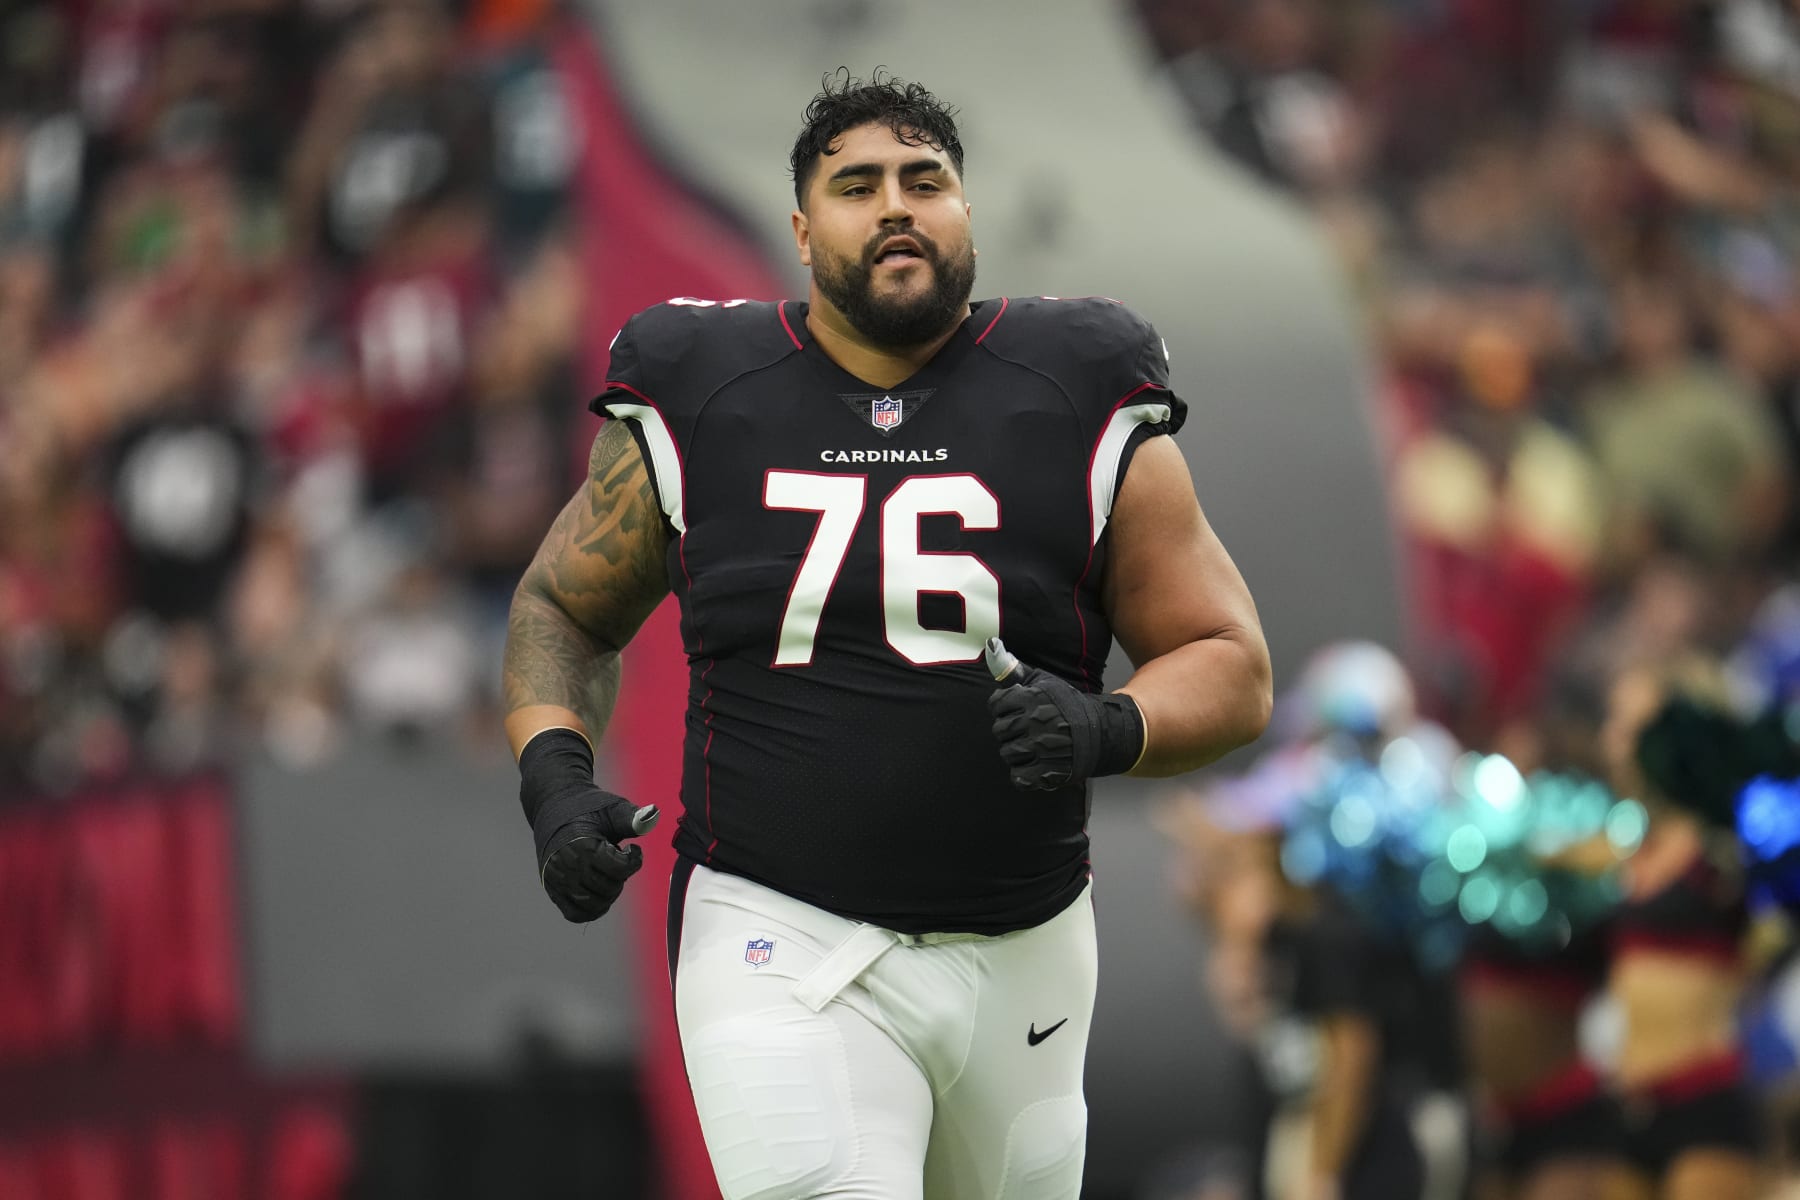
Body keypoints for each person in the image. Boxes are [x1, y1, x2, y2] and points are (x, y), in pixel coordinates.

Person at [500, 71, 1273, 1198]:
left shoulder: (1074, 383)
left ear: (967, 210)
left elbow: (1232, 664)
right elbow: (560, 608)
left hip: (1025, 947)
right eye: (858, 186)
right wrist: (556, 783)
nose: (898, 205)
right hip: (778, 931)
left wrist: (1108, 726)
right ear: (804, 233)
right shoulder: (707, 386)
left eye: (926, 180)